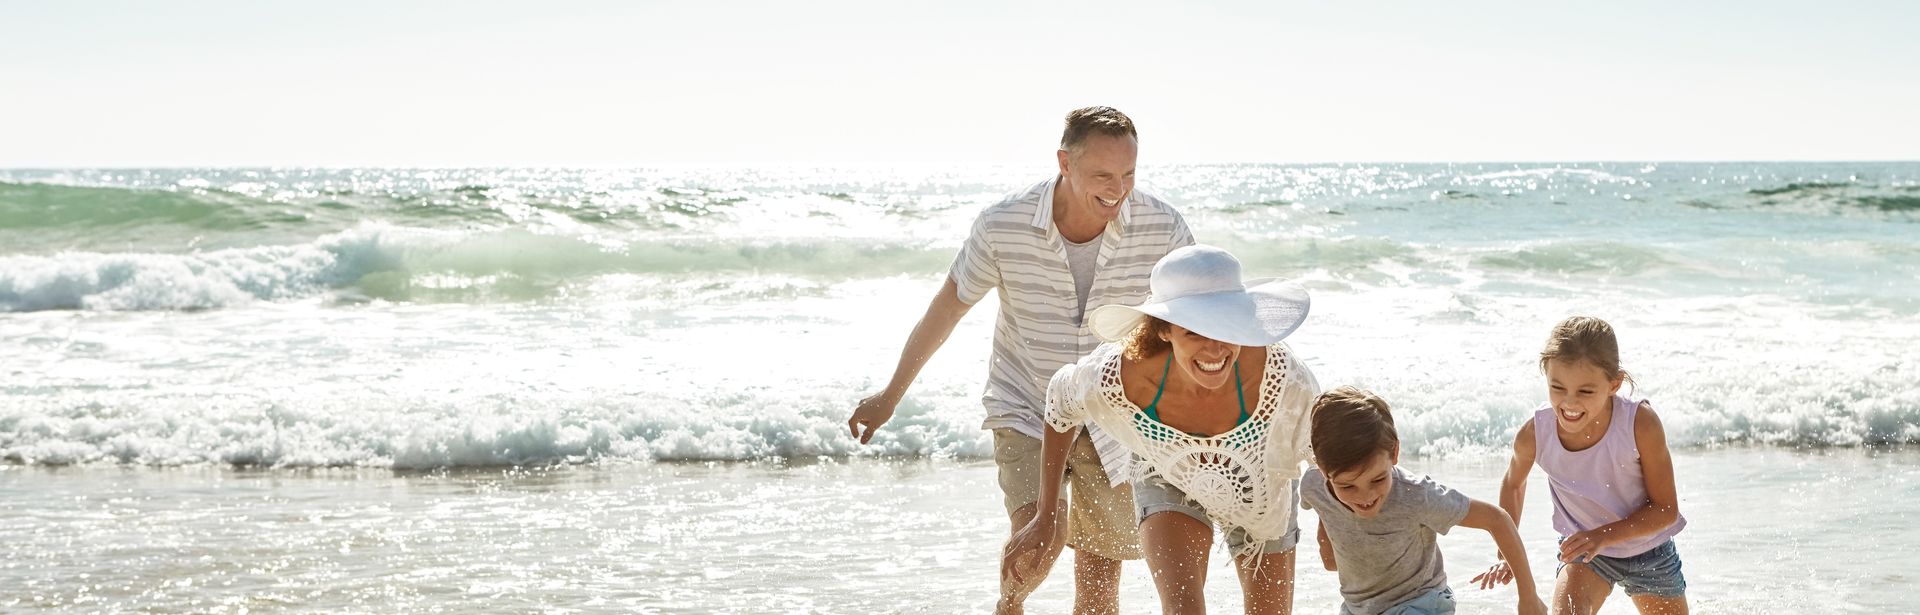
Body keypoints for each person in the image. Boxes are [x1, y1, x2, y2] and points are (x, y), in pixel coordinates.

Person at [848, 106, 1194, 614]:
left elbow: (1201, 319)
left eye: (1128, 173)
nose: (1118, 189)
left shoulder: (1162, 226)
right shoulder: (1002, 224)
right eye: (1102, 175)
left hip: (1115, 413)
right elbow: (947, 309)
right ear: (1064, 163)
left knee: (1099, 588)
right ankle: (1009, 605)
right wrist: (890, 395)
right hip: (1027, 404)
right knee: (1040, 540)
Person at [1003, 244, 1318, 615]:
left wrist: (1333, 523)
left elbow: (1322, 449)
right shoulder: (1123, 374)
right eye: (1194, 333)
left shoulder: (1283, 378)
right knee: (1183, 607)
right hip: (1169, 470)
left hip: (1260, 478)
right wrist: (1046, 515)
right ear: (1165, 330)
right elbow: (1060, 405)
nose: (1214, 349)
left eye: (1225, 329)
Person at [1480, 317, 1688, 615]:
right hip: (1584, 551)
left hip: (1649, 550)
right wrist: (1505, 555)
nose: (1569, 403)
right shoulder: (1535, 435)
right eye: (1557, 387)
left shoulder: (1640, 423)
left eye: (1585, 392)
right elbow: (1513, 484)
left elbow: (1665, 509)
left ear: (1614, 384)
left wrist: (1602, 536)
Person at [1303, 386, 1548, 615]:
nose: (1365, 496)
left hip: (1421, 602)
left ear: (1395, 452)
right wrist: (1327, 540)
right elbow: (1323, 508)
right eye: (1347, 486)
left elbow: (1496, 519)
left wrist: (1528, 597)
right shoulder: (1313, 485)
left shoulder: (1416, 495)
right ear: (1321, 468)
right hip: (1358, 608)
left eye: (1377, 479)